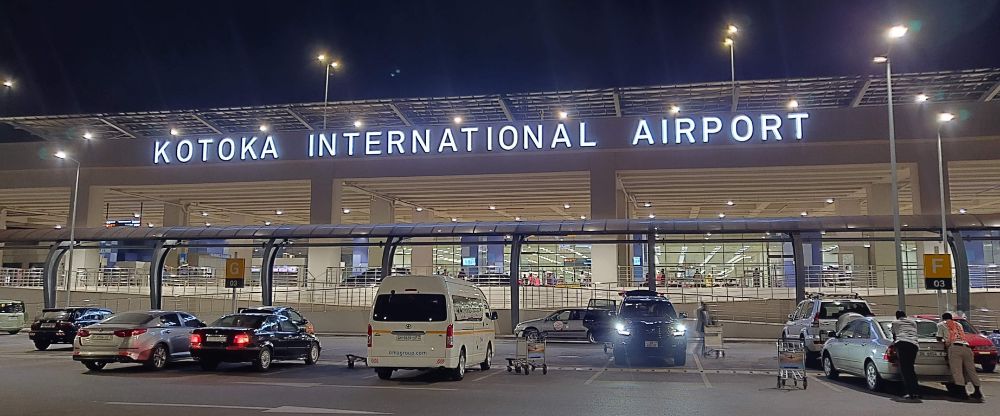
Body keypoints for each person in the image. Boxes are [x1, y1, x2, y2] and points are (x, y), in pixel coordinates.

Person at [937, 312, 983, 401]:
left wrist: (943, 339)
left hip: (954, 348)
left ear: (943, 318)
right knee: (971, 370)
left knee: (957, 371)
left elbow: (939, 337)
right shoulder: (959, 324)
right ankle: (978, 392)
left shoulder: (941, 324)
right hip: (967, 347)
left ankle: (962, 393)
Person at [891, 311, 921, 400]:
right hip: (914, 345)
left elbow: (894, 335)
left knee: (905, 370)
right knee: (911, 368)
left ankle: (910, 393)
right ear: (905, 315)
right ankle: (916, 392)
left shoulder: (895, 323)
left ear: (897, 316)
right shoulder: (913, 322)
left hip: (902, 344)